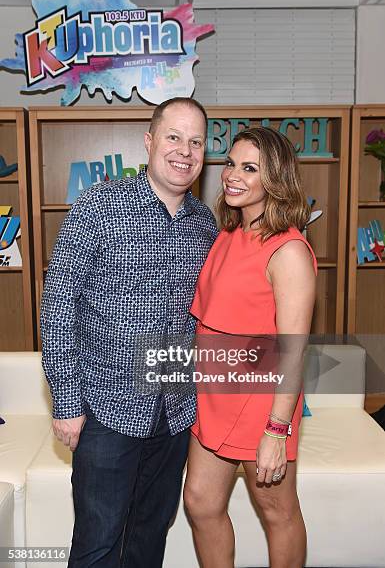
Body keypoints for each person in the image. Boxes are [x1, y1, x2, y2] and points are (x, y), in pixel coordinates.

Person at [40, 97, 218, 568]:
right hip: (106, 410)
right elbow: (58, 306)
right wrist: (66, 405)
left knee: (149, 536)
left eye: (196, 141)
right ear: (149, 142)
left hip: (174, 411)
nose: (185, 150)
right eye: (174, 137)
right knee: (98, 542)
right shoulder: (99, 205)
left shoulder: (206, 223)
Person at [184, 127, 317, 568]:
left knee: (278, 513)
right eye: (230, 163)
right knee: (201, 502)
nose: (232, 176)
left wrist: (277, 431)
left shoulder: (289, 251)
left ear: (275, 179)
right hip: (215, 395)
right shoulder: (228, 234)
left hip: (261, 404)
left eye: (249, 168)